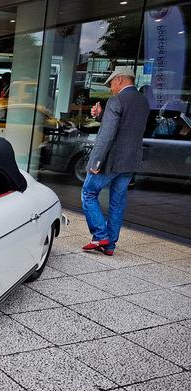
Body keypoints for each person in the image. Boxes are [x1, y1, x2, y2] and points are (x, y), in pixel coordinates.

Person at [81, 66, 149, 256]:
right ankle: (110, 246)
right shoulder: (143, 102)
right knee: (117, 203)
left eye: (111, 83)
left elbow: (107, 136)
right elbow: (127, 127)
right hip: (130, 162)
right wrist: (103, 115)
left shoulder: (116, 100)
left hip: (110, 161)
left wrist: (95, 163)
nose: (110, 87)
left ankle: (100, 235)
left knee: (88, 193)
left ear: (119, 80)